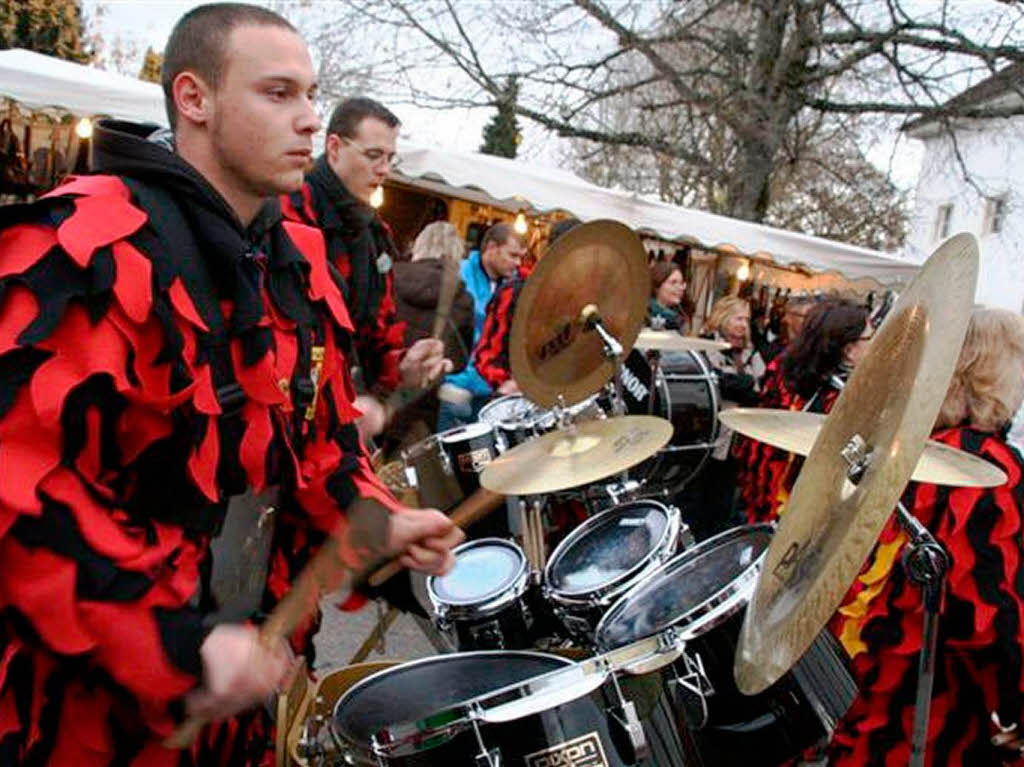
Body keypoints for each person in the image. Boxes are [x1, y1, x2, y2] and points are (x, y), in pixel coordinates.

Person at [0, 5, 462, 764]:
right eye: (279, 94)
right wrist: (180, 643)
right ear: (194, 99)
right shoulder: (78, 248)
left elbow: (317, 449)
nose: (311, 120)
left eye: (313, 95)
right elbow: (21, 494)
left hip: (243, 691)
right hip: (95, 707)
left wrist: (382, 521)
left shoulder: (299, 264)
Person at [828, 308, 1024, 766]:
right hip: (931, 702)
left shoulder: (906, 447)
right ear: (995, 372)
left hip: (869, 676)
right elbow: (988, 614)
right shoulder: (987, 469)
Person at [280, 97, 450, 442]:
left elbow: (376, 335)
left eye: (390, 158)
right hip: (282, 425)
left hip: (337, 428)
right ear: (334, 148)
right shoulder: (286, 212)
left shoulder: (374, 234)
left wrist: (405, 365)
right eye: (374, 155)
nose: (385, 169)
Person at [737, 299, 871, 524]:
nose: (876, 343)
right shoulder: (838, 399)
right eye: (869, 338)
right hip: (794, 508)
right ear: (848, 350)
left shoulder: (800, 375)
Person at [381, 222, 474, 452]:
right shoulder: (462, 298)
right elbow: (461, 358)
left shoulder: (391, 277)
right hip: (422, 402)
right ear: (456, 254)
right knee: (401, 478)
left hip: (380, 390)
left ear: (420, 245)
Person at [680, 296, 765, 538]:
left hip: (737, 442)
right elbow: (715, 383)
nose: (743, 325)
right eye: (738, 318)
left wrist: (743, 384)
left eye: (746, 319)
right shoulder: (706, 344)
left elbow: (760, 388)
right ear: (724, 316)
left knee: (722, 502)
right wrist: (744, 384)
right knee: (695, 499)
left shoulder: (749, 351)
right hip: (709, 436)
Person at [472, 217, 581, 397]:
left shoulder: (582, 302)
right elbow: (486, 355)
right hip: (514, 403)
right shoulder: (515, 294)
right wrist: (506, 383)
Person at [437, 221, 526, 430]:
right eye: (512, 255)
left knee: (480, 458)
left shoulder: (512, 285)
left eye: (521, 257)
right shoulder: (460, 275)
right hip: (457, 387)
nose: (518, 263)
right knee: (456, 458)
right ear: (492, 248)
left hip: (490, 392)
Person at [647, 261, 689, 332]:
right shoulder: (643, 315)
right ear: (658, 285)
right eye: (673, 282)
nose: (680, 288)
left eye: (681, 283)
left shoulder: (679, 318)